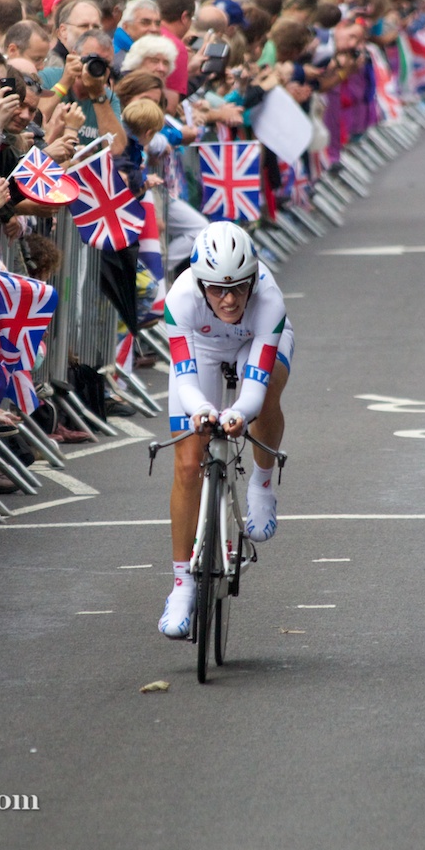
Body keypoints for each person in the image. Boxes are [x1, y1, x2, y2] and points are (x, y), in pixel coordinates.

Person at [159, 222, 294, 638]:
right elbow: (185, 381)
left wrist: (238, 413)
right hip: (200, 348)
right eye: (218, 289)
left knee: (266, 394)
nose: (230, 299)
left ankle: (262, 484)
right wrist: (203, 410)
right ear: (201, 284)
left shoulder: (269, 301)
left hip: (255, 343)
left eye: (239, 288)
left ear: (254, 279)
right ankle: (182, 585)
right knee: (187, 463)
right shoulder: (180, 299)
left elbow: (252, 389)